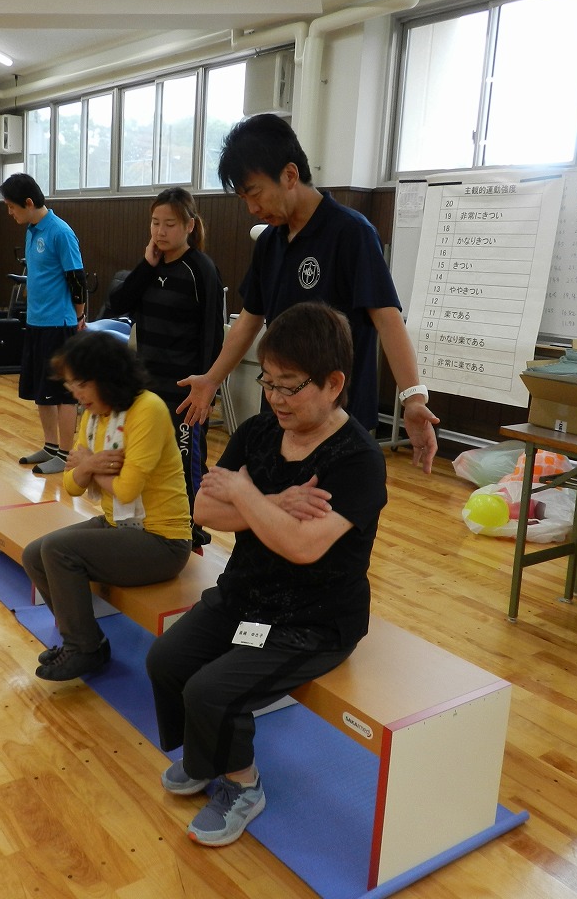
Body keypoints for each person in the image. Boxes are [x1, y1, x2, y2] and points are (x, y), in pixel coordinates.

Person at [146, 302, 387, 847]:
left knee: (211, 690)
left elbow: (302, 547)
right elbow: (204, 513)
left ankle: (244, 786)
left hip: (315, 619)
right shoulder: (257, 432)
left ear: (333, 384)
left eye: (289, 386)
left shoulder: (357, 460)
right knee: (167, 660)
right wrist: (272, 501)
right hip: (244, 595)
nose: (275, 397)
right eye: (268, 382)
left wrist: (247, 496)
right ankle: (208, 758)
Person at [177, 113, 440, 472]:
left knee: (322, 522)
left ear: (289, 175)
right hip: (281, 409)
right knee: (264, 513)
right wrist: (212, 378)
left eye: (254, 193)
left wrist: (413, 398)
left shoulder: (351, 232)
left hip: (338, 418)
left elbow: (388, 319)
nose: (252, 208)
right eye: (243, 198)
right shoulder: (269, 243)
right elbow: (248, 321)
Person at [22, 330, 192, 681]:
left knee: (57, 549)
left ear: (108, 378)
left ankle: (84, 648)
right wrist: (88, 466)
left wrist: (87, 467)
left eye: (81, 384)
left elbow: (127, 490)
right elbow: (70, 485)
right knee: (34, 554)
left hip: (163, 542)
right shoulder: (96, 415)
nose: (76, 394)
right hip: (121, 528)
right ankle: (82, 638)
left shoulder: (148, 409)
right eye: (72, 386)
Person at [107, 187, 224, 548]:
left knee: (187, 458)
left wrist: (206, 388)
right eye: (155, 223)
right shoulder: (149, 268)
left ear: (189, 225)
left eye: (169, 224)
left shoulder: (201, 270)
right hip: (147, 385)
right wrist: (146, 265)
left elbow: (212, 335)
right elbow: (118, 304)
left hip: (185, 390)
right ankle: (156, 519)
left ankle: (191, 523)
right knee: (147, 455)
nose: (160, 231)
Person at [0, 173, 87, 475]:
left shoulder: (61, 232)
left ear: (28, 202)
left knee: (62, 392)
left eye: (12, 207)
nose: (10, 213)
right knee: (41, 390)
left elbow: (77, 279)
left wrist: (78, 317)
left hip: (59, 324)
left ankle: (65, 454)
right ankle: (50, 446)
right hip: (36, 322)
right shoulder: (32, 230)